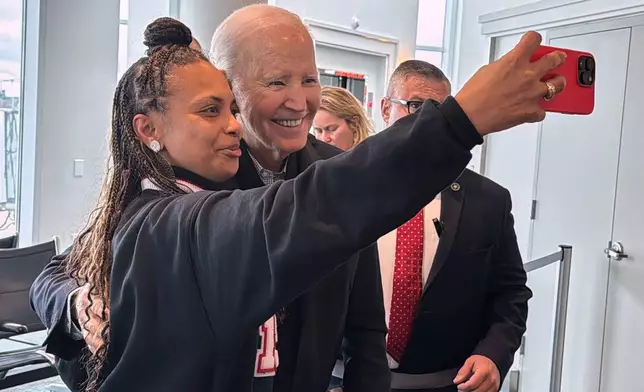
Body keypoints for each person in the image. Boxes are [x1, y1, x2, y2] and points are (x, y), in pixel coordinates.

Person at [29, 14, 567, 392]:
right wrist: (79, 304)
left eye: (309, 79)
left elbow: (363, 327)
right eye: (274, 81)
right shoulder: (170, 211)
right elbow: (303, 213)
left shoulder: (326, 168)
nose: (299, 99)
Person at [376, 60, 530, 392]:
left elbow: (511, 293)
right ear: (385, 108)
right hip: (345, 379)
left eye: (440, 109)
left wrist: (493, 355)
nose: (427, 120)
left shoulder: (489, 201)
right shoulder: (345, 187)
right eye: (414, 105)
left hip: (446, 382)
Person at [313, 86, 373, 151]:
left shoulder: (374, 158)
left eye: (331, 129)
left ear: (354, 124)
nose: (324, 139)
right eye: (319, 131)